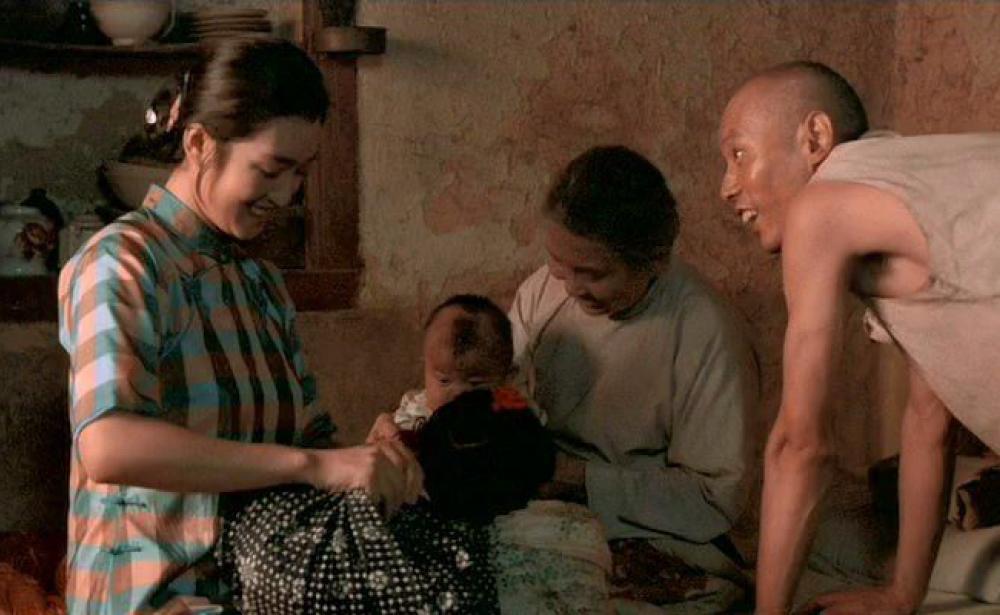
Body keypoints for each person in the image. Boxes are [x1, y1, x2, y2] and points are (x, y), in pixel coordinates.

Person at [57, 38, 422, 614]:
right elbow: (108, 445)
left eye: (301, 173)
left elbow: (310, 442)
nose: (286, 194)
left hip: (255, 592)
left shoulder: (260, 282)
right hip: (153, 599)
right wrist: (314, 466)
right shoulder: (123, 262)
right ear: (200, 144)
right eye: (272, 169)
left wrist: (368, 457)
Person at [718, 60, 1000, 614]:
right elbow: (929, 421)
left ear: (815, 138)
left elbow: (802, 445)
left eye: (739, 154)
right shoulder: (913, 187)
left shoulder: (821, 208)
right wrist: (901, 596)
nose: (726, 186)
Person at [508, 146, 758, 599]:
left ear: (654, 261)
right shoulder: (544, 291)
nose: (571, 287)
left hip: (645, 527)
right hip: (540, 501)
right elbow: (494, 390)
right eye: (559, 263)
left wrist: (578, 479)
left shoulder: (705, 330)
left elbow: (714, 497)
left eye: (593, 273)